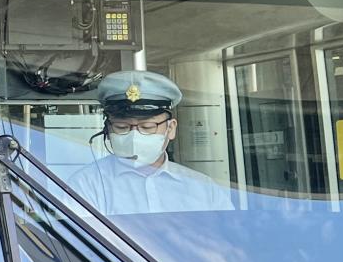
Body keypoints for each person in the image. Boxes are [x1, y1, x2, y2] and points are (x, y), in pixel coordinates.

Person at [67, 70, 234, 215]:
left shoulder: (202, 188)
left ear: (171, 128)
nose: (134, 135)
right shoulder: (86, 185)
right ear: (108, 130)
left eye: (147, 127)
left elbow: (229, 241)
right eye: (122, 127)